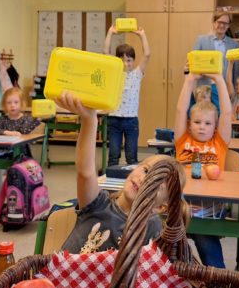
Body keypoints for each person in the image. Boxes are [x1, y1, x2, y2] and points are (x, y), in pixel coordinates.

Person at [57, 92, 187, 254]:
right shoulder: (98, 205)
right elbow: (85, 171)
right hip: (68, 277)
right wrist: (89, 120)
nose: (144, 180)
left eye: (155, 184)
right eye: (145, 170)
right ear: (133, 168)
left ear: (160, 207)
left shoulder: (153, 228)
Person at [174, 71, 232, 268]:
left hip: (209, 210)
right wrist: (189, 79)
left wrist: (219, 80)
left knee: (204, 238)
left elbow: (227, 113)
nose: (201, 127)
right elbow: (181, 111)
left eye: (207, 123)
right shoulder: (183, 141)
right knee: (167, 239)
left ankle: (217, 281)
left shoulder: (219, 142)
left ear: (215, 127)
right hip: (180, 206)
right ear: (189, 125)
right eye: (197, 122)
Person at [104, 25, 150, 167]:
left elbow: (147, 54)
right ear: (117, 60)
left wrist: (142, 35)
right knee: (113, 156)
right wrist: (110, 33)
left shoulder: (137, 73)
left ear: (133, 61)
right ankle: (110, 187)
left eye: (129, 60)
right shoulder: (114, 72)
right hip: (114, 120)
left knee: (131, 157)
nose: (126, 63)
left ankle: (133, 184)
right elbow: (106, 52)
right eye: (122, 60)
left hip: (131, 122)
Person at [0, 87, 41, 198]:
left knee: (17, 176)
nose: (12, 105)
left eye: (16, 102)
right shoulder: (3, 119)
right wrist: (8, 132)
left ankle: (18, 200)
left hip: (20, 155)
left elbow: (25, 131)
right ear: (4, 105)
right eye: (9, 103)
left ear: (21, 104)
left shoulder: (25, 119)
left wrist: (38, 119)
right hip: (3, 153)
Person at [193, 11, 239, 90]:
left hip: (226, 88)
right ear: (214, 22)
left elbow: (236, 71)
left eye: (225, 23)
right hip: (205, 88)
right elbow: (193, 64)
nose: (222, 25)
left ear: (229, 25)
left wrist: (235, 91)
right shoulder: (201, 40)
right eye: (219, 22)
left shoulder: (234, 44)